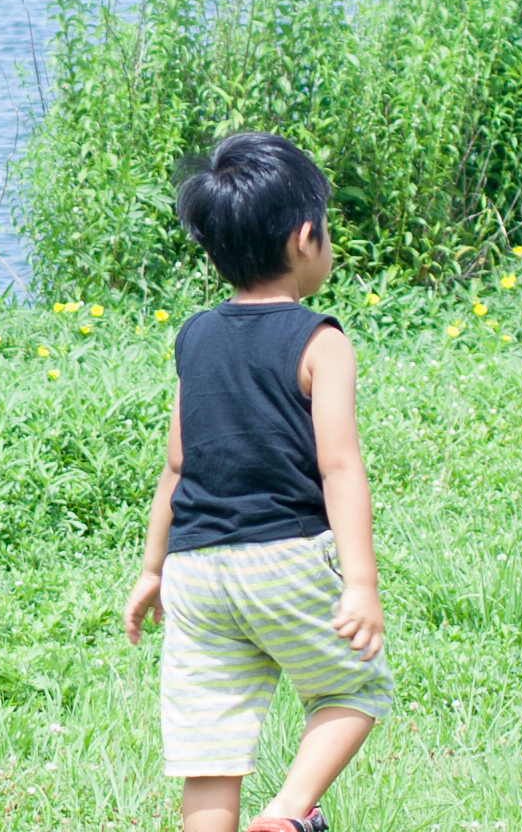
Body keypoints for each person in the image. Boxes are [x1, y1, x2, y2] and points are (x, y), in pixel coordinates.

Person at [122, 132, 392, 832]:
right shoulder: (319, 341)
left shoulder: (195, 337)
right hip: (287, 560)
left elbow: (175, 465)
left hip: (196, 572)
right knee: (351, 690)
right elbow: (339, 466)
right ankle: (285, 813)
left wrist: (152, 570)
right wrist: (359, 582)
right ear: (307, 239)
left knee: (208, 748)